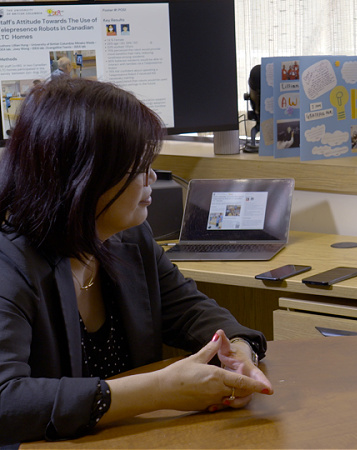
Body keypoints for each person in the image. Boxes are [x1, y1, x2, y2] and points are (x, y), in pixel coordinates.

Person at [0, 77, 273, 445]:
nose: (152, 177)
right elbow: (7, 401)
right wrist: (159, 390)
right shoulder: (9, 262)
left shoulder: (128, 238)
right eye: (138, 166)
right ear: (84, 176)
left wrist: (238, 348)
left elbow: (192, 312)